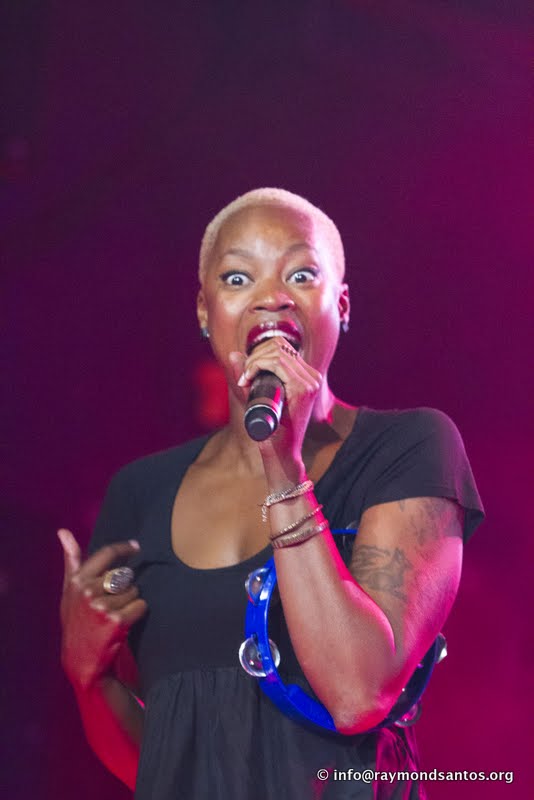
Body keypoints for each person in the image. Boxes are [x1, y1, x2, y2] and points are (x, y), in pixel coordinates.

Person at [58, 188, 485, 799]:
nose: (271, 296)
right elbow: (159, 763)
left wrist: (284, 468)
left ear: (340, 305)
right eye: (238, 277)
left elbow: (357, 694)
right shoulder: (139, 493)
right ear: (205, 311)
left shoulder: (407, 448)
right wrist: (85, 676)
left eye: (301, 274)